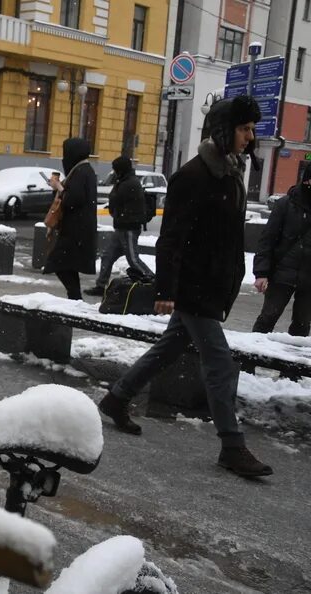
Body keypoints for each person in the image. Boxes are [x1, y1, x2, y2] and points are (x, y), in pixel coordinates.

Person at [98, 95, 273, 478]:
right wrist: (166, 289)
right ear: (226, 131)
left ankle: (117, 398)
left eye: (250, 129)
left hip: (211, 284)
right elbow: (172, 239)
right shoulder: (194, 176)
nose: (250, 136)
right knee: (221, 366)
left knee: (168, 348)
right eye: (244, 129)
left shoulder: (231, 170)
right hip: (195, 288)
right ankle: (232, 445)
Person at [251, 165, 311, 337]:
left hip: (309, 280)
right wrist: (261, 273)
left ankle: (295, 363)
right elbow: (267, 239)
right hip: (282, 274)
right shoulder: (286, 204)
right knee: (267, 318)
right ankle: (248, 360)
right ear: (307, 180)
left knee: (302, 326)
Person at [85, 156, 155, 296]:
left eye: (116, 169)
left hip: (128, 228)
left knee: (133, 259)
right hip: (121, 227)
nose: (114, 172)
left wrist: (118, 214)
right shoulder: (125, 181)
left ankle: (154, 282)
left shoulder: (130, 183)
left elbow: (118, 201)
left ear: (120, 169)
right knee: (107, 256)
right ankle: (101, 285)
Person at [43, 138, 98, 300]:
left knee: (59, 263)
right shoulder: (83, 169)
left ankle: (75, 297)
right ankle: (74, 297)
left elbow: (74, 200)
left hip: (76, 230)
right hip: (77, 228)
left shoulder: (81, 171)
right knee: (67, 264)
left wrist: (58, 187)